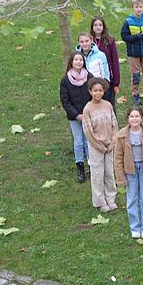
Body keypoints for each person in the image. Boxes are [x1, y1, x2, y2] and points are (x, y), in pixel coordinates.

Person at [114, 106, 143, 239]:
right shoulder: (121, 135)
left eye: (137, 116)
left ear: (142, 118)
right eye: (132, 116)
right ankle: (135, 227)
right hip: (130, 170)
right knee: (132, 199)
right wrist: (120, 177)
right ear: (127, 119)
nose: (134, 119)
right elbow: (117, 158)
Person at [82, 77, 118, 213]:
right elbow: (88, 131)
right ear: (90, 92)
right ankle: (100, 201)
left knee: (109, 172)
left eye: (100, 90)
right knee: (98, 174)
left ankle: (111, 198)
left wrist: (112, 142)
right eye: (95, 91)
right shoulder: (88, 109)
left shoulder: (108, 105)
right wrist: (100, 146)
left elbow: (115, 125)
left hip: (110, 146)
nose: (98, 93)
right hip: (96, 147)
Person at [59, 52, 93, 183]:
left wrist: (87, 113)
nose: (78, 62)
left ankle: (91, 165)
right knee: (79, 142)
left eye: (80, 60)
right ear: (71, 62)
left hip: (88, 115)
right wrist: (76, 115)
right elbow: (65, 100)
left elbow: (94, 95)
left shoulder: (89, 77)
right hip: (74, 117)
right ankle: (80, 167)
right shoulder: (65, 80)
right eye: (76, 60)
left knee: (89, 141)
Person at [121, 0, 143, 106]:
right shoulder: (128, 21)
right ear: (133, 8)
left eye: (140, 7)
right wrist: (136, 36)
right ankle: (135, 94)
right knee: (135, 75)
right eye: (136, 7)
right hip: (134, 52)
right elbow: (124, 36)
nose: (139, 9)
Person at [91, 16, 120, 108]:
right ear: (92, 27)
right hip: (93, 79)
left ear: (103, 26)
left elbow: (115, 62)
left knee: (109, 105)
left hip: (107, 79)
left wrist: (116, 83)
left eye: (100, 25)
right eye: (95, 25)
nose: (98, 27)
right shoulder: (89, 41)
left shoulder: (110, 41)